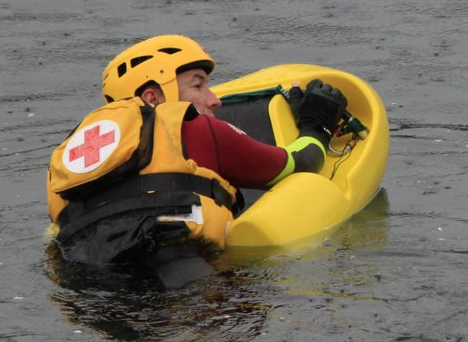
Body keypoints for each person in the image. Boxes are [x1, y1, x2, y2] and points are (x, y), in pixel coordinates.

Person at [47, 35, 349, 283]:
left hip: (87, 288)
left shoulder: (66, 160)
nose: (214, 99)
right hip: (181, 277)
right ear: (154, 98)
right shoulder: (193, 127)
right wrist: (316, 124)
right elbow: (298, 163)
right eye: (197, 85)